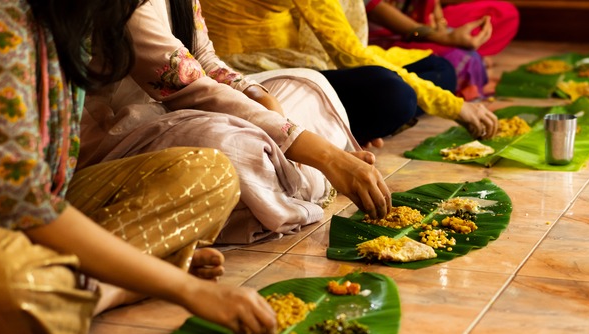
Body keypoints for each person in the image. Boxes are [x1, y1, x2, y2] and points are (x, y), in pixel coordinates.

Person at [0, 0, 277, 334]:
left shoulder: (69, 16)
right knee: (12, 288)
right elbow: (21, 202)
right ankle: (126, 280)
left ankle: (96, 288)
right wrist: (186, 289)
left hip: (39, 216)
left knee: (212, 173)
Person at [79, 0, 392, 244]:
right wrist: (324, 153)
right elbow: (187, 87)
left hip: (182, 109)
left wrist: (257, 94)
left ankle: (289, 176)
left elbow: (205, 59)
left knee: (309, 84)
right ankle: (309, 170)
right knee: (228, 145)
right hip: (121, 130)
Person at [201, 0, 499, 140]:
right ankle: (345, 129)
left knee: (439, 68)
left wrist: (436, 35)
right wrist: (456, 107)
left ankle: (354, 121)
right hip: (256, 72)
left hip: (302, 54)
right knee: (395, 95)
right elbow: (348, 54)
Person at [365, 0, 520, 99]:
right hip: (384, 34)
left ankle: (466, 58)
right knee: (454, 62)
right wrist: (445, 38)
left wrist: (441, 23)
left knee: (505, 13)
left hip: (421, 23)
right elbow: (374, 8)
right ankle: (468, 67)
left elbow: (432, 6)